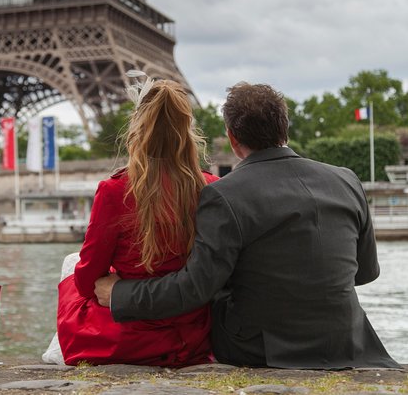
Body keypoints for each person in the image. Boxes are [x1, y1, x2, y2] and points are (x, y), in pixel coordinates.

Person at [95, 82, 400, 369]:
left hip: (262, 347)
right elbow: (366, 272)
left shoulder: (225, 194)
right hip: (347, 342)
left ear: (232, 137)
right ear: (285, 128)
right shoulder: (346, 179)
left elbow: (194, 288)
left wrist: (120, 294)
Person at [56, 78, 218, 367]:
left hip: (129, 336)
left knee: (71, 274)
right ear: (188, 131)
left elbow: (86, 279)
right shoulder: (210, 188)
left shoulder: (116, 190)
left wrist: (118, 283)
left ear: (137, 128)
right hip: (193, 335)